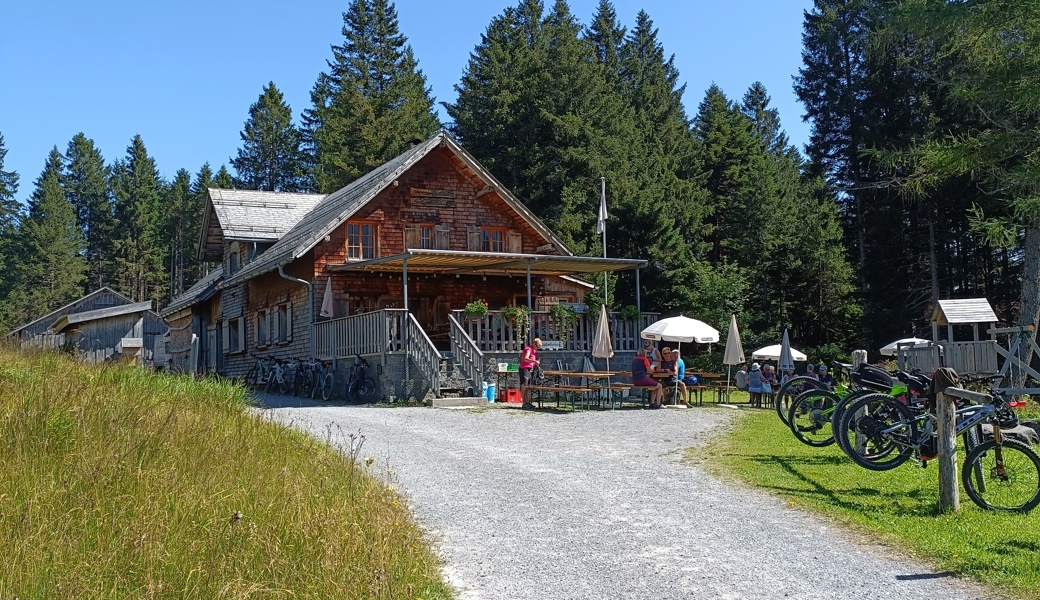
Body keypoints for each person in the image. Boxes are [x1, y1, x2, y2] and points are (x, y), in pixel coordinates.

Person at [519, 338, 543, 408]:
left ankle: (527, 402)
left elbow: (531, 361)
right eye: (537, 346)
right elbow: (525, 359)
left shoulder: (533, 351)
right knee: (524, 386)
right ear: (534, 344)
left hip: (529, 369)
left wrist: (535, 363)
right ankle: (524, 403)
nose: (537, 348)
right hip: (524, 369)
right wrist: (535, 361)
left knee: (527, 386)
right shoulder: (528, 349)